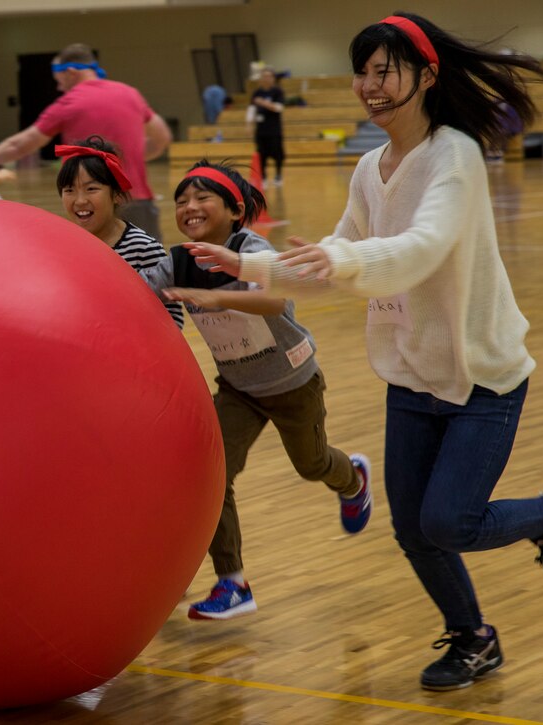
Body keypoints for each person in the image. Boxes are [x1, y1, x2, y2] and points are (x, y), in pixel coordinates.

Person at [184, 13, 543, 691]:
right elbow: (330, 267)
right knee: (412, 528)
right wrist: (247, 271)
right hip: (410, 378)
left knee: (450, 520)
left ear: (426, 74)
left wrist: (340, 254)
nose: (370, 85)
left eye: (386, 70)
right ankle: (473, 638)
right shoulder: (366, 170)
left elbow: (419, 249)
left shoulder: (454, 155)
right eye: (363, 72)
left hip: (482, 379)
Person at [161, 160, 371, 621]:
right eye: (181, 201)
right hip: (238, 390)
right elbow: (136, 290)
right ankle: (232, 584)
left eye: (201, 198)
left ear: (235, 210)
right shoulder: (177, 260)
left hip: (294, 384)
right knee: (210, 474)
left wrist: (217, 297)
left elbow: (275, 298)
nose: (189, 207)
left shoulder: (250, 247)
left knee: (312, 464)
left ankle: (352, 478)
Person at [0, 43, 172, 240]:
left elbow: (20, 145)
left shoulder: (69, 103)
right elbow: (162, 138)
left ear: (70, 72)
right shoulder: (130, 93)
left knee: (101, 267)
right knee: (149, 265)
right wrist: (129, 156)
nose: (58, 87)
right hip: (138, 201)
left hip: (94, 206)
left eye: (58, 80)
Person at [56, 137, 181, 327]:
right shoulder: (60, 247)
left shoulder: (143, 248)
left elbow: (173, 318)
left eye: (91, 189)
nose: (80, 200)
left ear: (117, 195)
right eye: (69, 190)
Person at [251, 69, 285, 187]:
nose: (266, 79)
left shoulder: (277, 92)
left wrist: (263, 103)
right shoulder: (257, 92)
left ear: (273, 78)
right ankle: (263, 177)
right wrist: (248, 124)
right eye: (264, 76)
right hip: (261, 130)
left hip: (274, 130)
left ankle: (278, 176)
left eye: (269, 76)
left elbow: (279, 108)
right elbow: (252, 109)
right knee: (261, 154)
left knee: (278, 154)